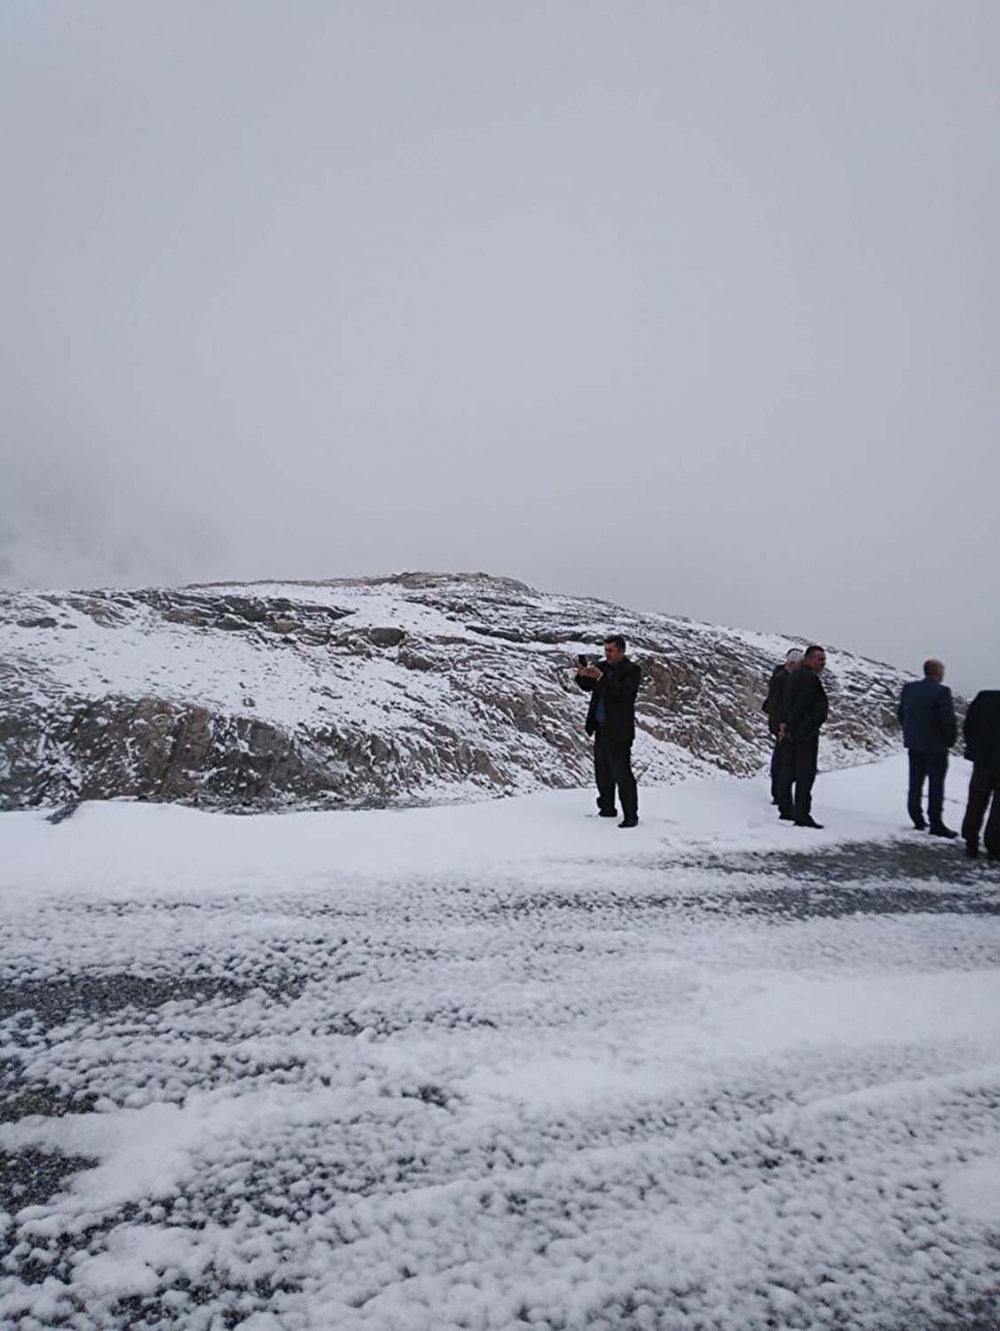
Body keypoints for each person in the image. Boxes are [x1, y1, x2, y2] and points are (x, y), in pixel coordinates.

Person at [575, 635, 642, 828]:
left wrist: (601, 678)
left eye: (610, 651)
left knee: (622, 774)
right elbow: (587, 686)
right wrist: (582, 675)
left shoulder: (631, 671)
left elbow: (622, 694)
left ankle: (630, 815)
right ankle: (607, 808)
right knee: (602, 773)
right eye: (605, 650)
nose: (607, 654)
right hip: (601, 729)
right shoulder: (602, 667)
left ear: (621, 651)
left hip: (619, 732)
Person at [897, 659, 958, 836]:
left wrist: (910, 732)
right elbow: (947, 720)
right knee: (936, 785)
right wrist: (949, 740)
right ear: (938, 673)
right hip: (936, 746)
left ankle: (917, 818)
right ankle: (936, 823)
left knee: (915, 782)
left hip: (914, 743)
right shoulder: (942, 692)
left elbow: (902, 713)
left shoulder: (909, 689)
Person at [776, 644, 828, 829]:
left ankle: (786, 808)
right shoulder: (808, 678)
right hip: (803, 735)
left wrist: (786, 726)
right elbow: (802, 706)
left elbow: (786, 703)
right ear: (809, 659)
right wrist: (806, 726)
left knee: (788, 771)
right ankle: (801, 814)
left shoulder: (796, 676)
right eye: (820, 659)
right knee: (804, 775)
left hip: (792, 732)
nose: (823, 663)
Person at [960, 690, 1000, 860]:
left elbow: (968, 726)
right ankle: (994, 847)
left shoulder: (984, 698)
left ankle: (970, 842)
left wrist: (973, 750)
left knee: (976, 801)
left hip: (983, 761)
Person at [762, 650, 803, 803]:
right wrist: (781, 725)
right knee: (781, 759)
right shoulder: (780, 679)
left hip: (787, 724)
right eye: (792, 662)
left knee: (785, 758)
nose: (793, 665)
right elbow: (776, 705)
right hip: (782, 725)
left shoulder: (787, 676)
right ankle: (778, 795)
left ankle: (781, 793)